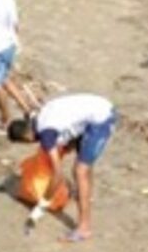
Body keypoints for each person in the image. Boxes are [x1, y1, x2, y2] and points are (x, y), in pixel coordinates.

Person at [7, 93, 116, 242]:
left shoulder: (46, 133)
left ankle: (84, 228)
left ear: (27, 138)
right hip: (99, 106)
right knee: (84, 166)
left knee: (79, 170)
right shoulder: (40, 117)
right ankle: (85, 198)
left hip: (101, 119)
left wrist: (41, 207)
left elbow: (57, 174)